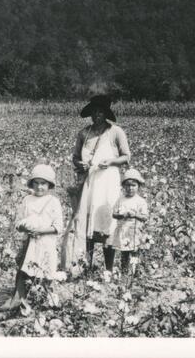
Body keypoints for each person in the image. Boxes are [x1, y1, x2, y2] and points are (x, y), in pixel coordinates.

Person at [68, 95, 131, 273]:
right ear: (91, 114)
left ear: (106, 114)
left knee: (106, 220)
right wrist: (80, 164)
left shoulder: (115, 132)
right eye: (94, 112)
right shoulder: (84, 133)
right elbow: (75, 157)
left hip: (108, 182)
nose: (97, 115)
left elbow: (126, 157)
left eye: (100, 112)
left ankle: (108, 268)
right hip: (89, 181)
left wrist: (110, 162)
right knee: (88, 220)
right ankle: (86, 265)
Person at [7, 164, 64, 308]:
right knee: (24, 269)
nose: (39, 187)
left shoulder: (53, 202)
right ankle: (19, 299)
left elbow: (58, 227)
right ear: (32, 184)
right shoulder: (27, 200)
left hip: (46, 243)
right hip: (29, 241)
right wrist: (23, 227)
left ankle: (43, 300)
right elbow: (18, 222)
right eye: (36, 183)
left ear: (49, 185)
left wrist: (41, 231)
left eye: (43, 183)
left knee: (44, 271)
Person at [111, 168, 149, 275]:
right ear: (123, 186)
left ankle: (134, 271)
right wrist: (121, 215)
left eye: (133, 185)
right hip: (123, 230)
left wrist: (135, 215)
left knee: (134, 252)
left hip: (134, 231)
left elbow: (145, 217)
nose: (130, 188)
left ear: (138, 186)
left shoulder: (140, 201)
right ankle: (124, 272)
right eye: (127, 185)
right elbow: (114, 214)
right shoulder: (120, 199)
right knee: (124, 253)